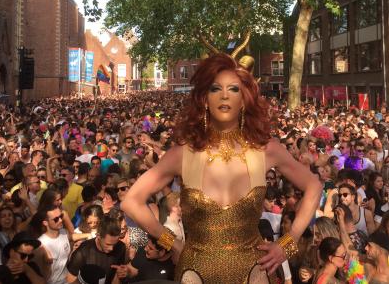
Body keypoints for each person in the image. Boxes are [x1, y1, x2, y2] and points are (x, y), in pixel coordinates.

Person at [121, 53, 322, 283]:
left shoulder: (268, 150)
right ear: (204, 99)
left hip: (254, 273)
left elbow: (314, 187)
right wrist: (171, 243)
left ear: (244, 99)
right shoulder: (183, 154)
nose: (225, 95)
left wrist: (287, 244)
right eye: (215, 88)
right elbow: (131, 201)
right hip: (194, 274)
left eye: (234, 89)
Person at [66, 214, 128, 283]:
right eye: (108, 244)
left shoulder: (121, 247)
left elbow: (116, 277)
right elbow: (70, 280)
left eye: (115, 244)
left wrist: (122, 273)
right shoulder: (82, 252)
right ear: (98, 236)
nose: (112, 248)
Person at [37, 207, 71, 284]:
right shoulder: (41, 244)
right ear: (45, 223)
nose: (60, 220)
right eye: (56, 219)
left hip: (67, 280)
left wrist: (92, 234)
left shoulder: (64, 232)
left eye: (61, 216)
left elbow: (72, 236)